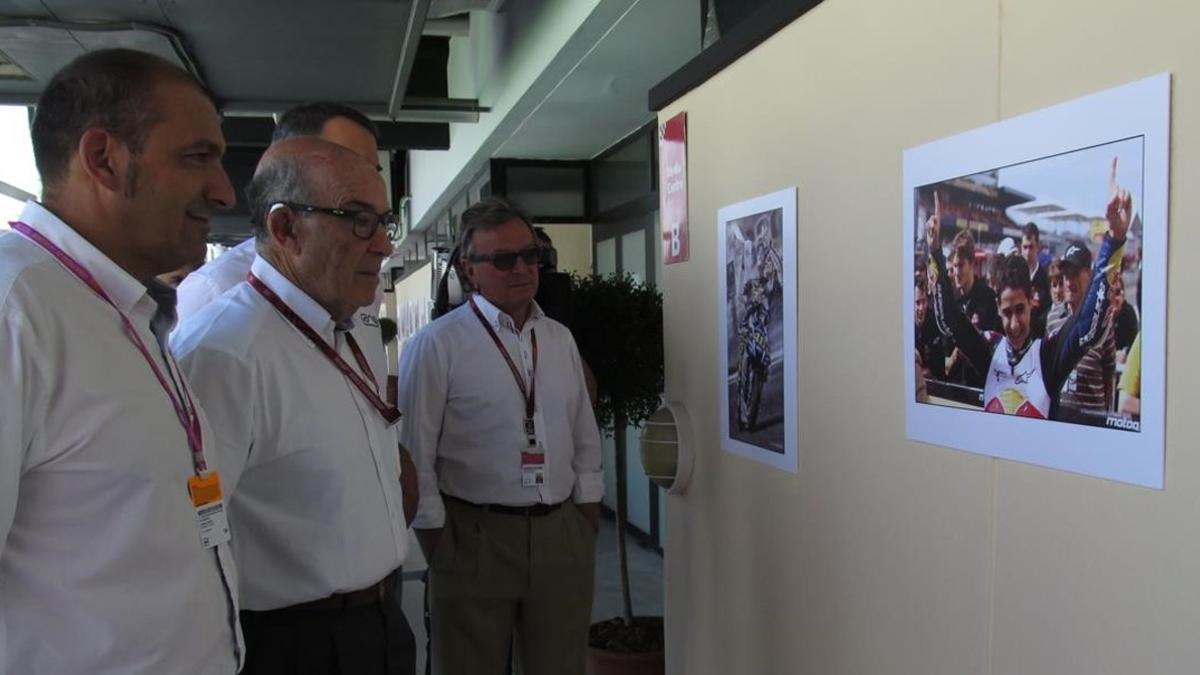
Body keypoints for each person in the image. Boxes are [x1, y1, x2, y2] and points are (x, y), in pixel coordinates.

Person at [0, 48, 241, 673]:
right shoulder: (17, 310)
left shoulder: (123, 307)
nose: (223, 190)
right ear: (103, 158)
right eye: (197, 157)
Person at [172, 138, 413, 674]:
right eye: (357, 220)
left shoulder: (346, 330)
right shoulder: (223, 354)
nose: (383, 246)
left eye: (383, 221)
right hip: (294, 644)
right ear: (285, 229)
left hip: (380, 624)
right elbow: (190, 543)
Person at [397, 197, 603, 675]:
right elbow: (415, 455)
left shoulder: (558, 339)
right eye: (504, 259)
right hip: (473, 537)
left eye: (531, 256)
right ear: (470, 270)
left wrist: (585, 517)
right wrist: (439, 547)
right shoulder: (436, 345)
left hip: (560, 535)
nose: (522, 269)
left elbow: (584, 436)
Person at [924, 166, 1128, 419]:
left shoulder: (1047, 355)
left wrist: (1114, 239)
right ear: (997, 308)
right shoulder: (990, 351)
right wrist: (934, 251)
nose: (1014, 323)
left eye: (1020, 309)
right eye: (1007, 312)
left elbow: (1088, 324)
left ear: (1031, 302)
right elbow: (949, 320)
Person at [1050, 240, 1119, 420]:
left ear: (1088, 275)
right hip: (1059, 421)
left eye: (1074, 274)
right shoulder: (1053, 318)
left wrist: (1104, 416)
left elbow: (1109, 375)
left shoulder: (1103, 321)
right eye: (1065, 275)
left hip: (1091, 425)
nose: (1068, 281)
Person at [934, 223, 1001, 388]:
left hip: (980, 386)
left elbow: (989, 347)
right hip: (954, 388)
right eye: (954, 266)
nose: (956, 272)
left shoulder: (988, 299)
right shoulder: (952, 301)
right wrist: (947, 360)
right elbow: (944, 347)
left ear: (972, 264)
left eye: (961, 265)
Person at [1021, 222, 1053, 329]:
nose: (1027, 252)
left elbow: (1049, 311)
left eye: (1031, 247)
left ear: (1037, 247)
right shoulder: (1015, 277)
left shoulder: (1046, 278)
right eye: (1025, 247)